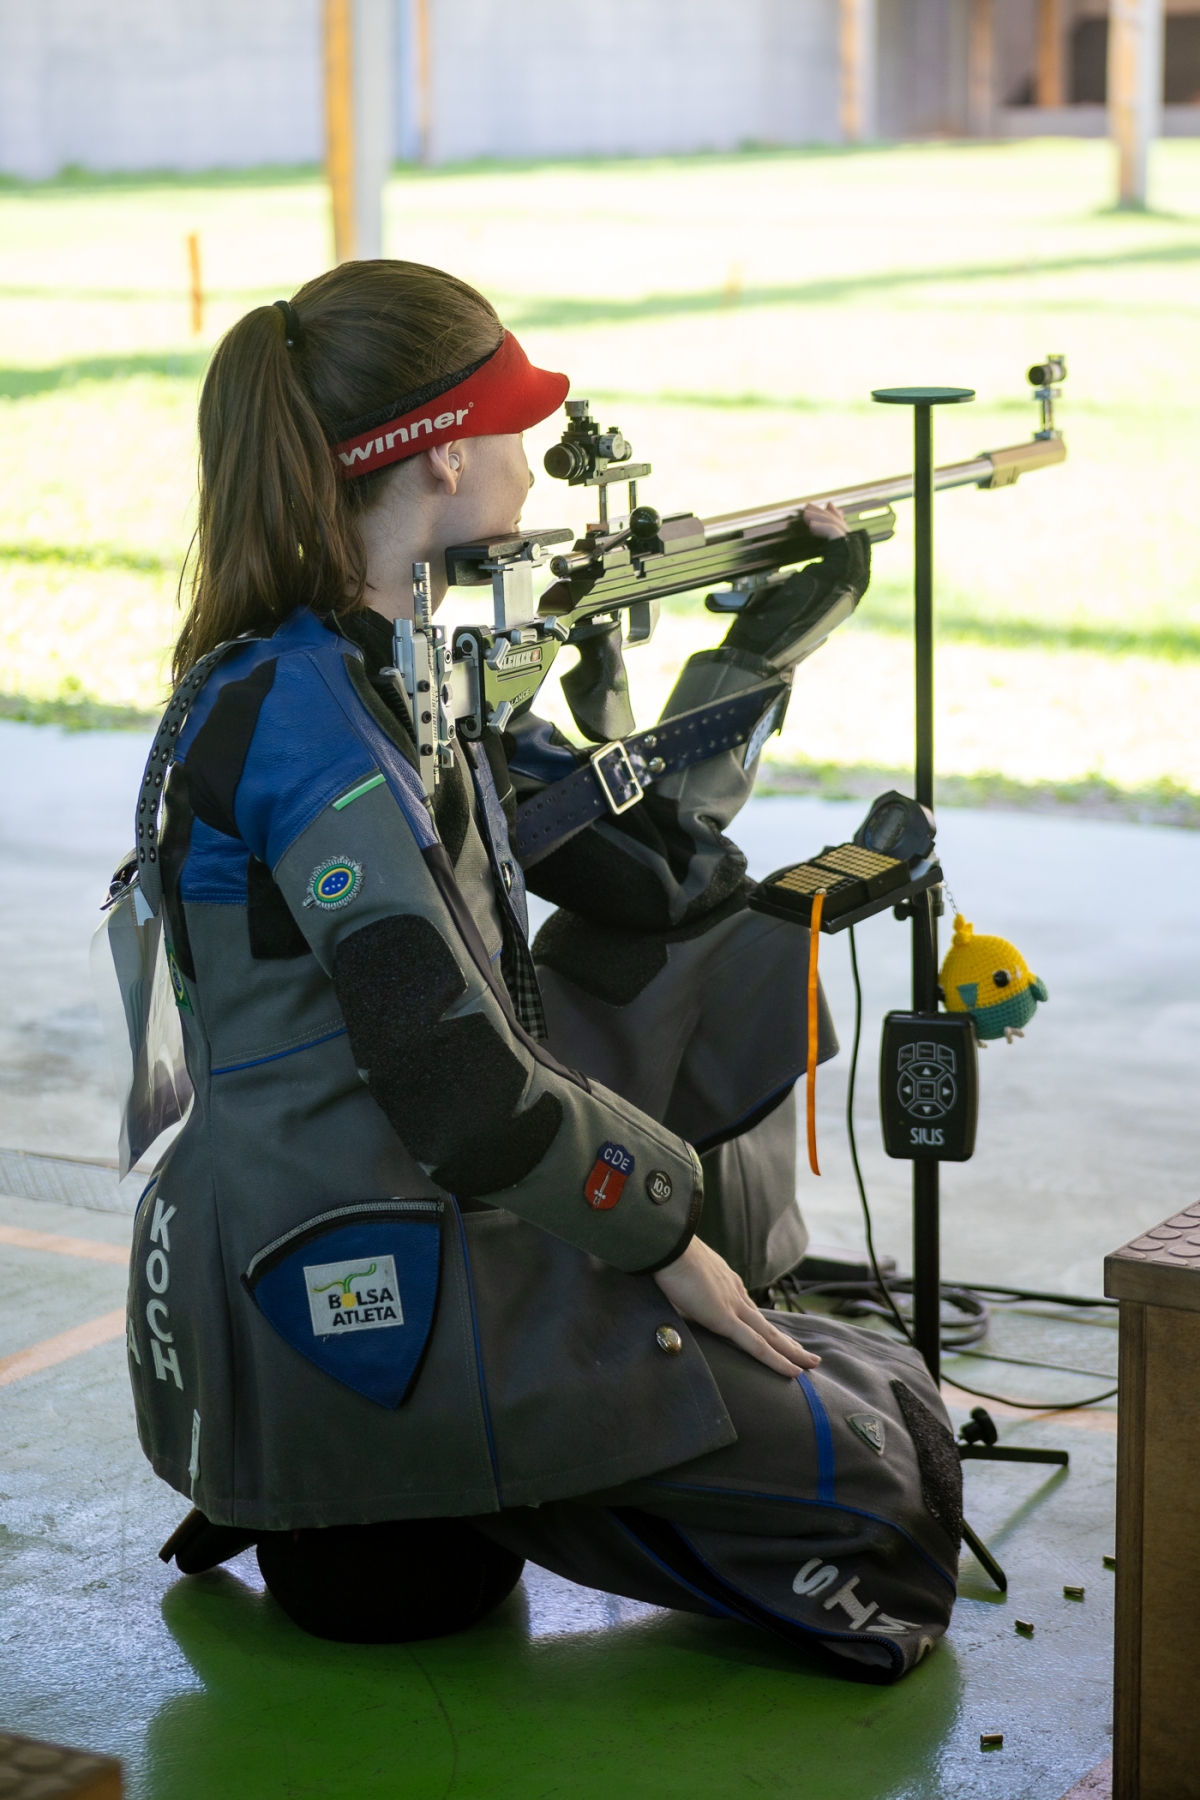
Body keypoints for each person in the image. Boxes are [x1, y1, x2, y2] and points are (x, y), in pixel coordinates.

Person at [131, 260, 961, 1679]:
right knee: (887, 1496)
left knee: (878, 1385)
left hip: (361, 1242)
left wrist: (761, 652)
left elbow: (652, 865)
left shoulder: (350, 671)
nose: (532, 460)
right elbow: (456, 1077)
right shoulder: (317, 726)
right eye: (512, 426)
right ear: (444, 456)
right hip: (371, 1300)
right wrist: (664, 1238)